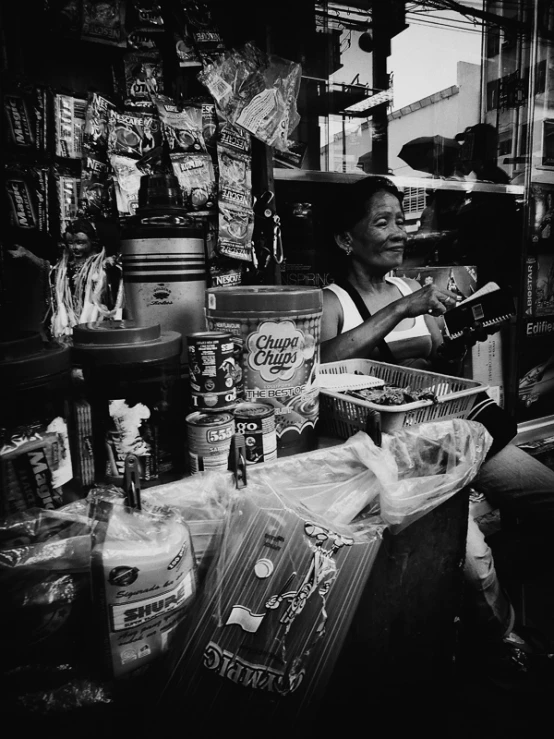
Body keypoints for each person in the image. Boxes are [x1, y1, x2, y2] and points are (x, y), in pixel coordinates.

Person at [321, 175, 554, 686]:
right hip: (403, 461)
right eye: (382, 222)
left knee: (545, 495)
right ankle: (507, 640)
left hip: (457, 434)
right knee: (473, 561)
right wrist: (402, 308)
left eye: (400, 220)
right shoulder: (334, 301)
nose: (398, 232)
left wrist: (466, 330)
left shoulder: (410, 288)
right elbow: (324, 362)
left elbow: (439, 355)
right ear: (346, 239)